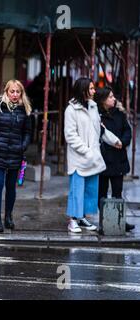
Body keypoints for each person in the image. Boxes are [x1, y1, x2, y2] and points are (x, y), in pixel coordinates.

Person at [64, 78, 121, 233]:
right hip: (78, 158)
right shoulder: (71, 110)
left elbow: (99, 129)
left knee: (90, 190)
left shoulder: (93, 107)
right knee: (76, 190)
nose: (94, 91)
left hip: (92, 158)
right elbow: (70, 136)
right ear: (83, 90)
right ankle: (72, 220)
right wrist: (87, 151)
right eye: (91, 88)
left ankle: (82, 218)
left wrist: (113, 140)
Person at [0, 80, 32, 232]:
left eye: (18, 92)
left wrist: (23, 146)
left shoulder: (25, 108)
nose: (15, 95)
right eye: (12, 91)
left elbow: (28, 132)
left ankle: (8, 217)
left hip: (16, 153)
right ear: (6, 92)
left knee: (11, 187)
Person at [95, 87, 135, 232]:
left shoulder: (119, 114)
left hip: (119, 159)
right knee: (102, 194)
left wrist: (123, 142)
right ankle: (105, 221)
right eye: (110, 97)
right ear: (103, 100)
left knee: (118, 192)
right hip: (103, 159)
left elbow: (127, 131)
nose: (114, 99)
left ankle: (120, 220)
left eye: (113, 96)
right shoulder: (97, 116)